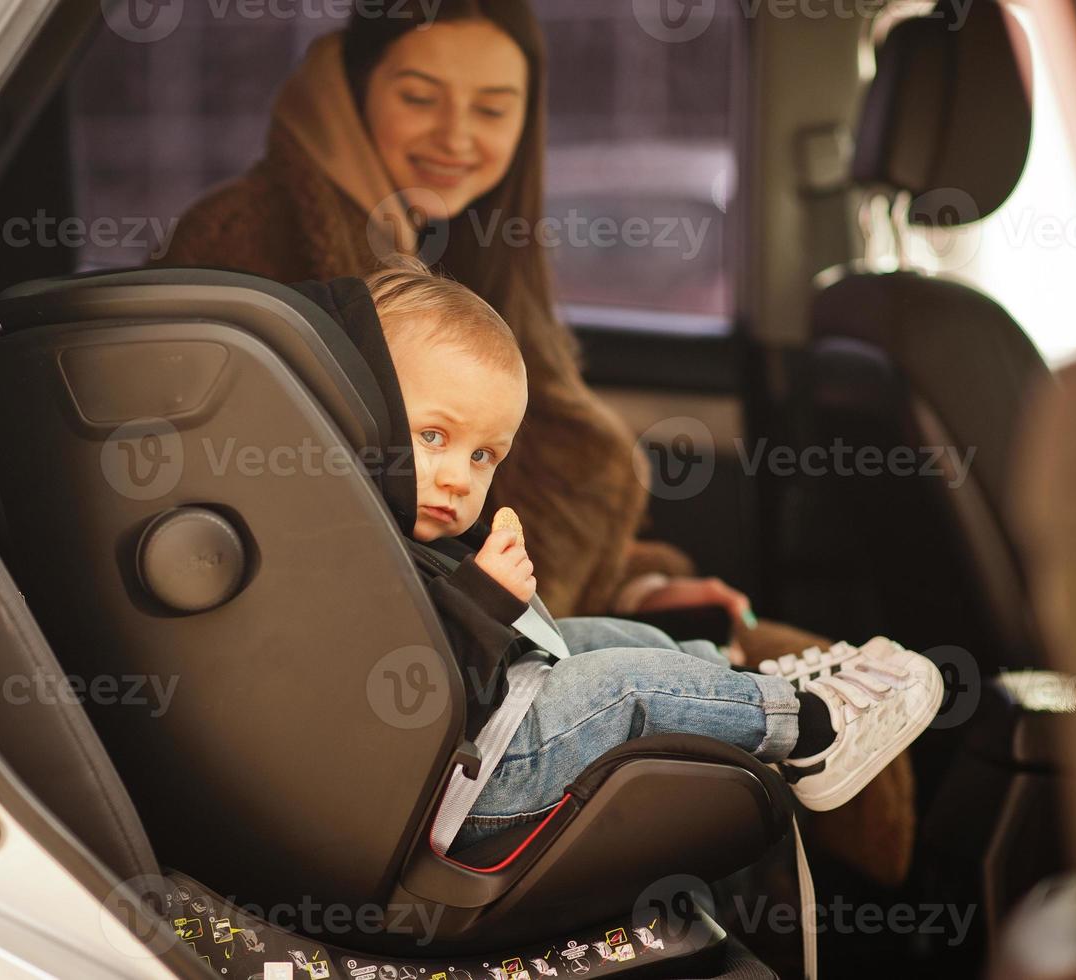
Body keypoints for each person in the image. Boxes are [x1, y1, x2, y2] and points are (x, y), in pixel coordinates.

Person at [163, 0, 919, 884]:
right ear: (351, 90)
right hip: (422, 713)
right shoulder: (259, 248)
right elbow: (308, 546)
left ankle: (868, 920)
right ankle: (819, 772)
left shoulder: (476, 250)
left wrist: (638, 577)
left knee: (700, 653)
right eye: (420, 96)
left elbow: (510, 499)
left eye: (491, 108)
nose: (456, 135)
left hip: (496, 636)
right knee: (709, 702)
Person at [354, 259, 942, 850]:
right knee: (622, 683)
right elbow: (417, 683)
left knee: (620, 640)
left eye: (484, 457)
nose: (459, 478)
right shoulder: (344, 547)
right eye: (434, 437)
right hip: (467, 787)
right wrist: (481, 601)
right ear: (362, 412)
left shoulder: (402, 525)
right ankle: (809, 731)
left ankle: (737, 683)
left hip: (484, 740)